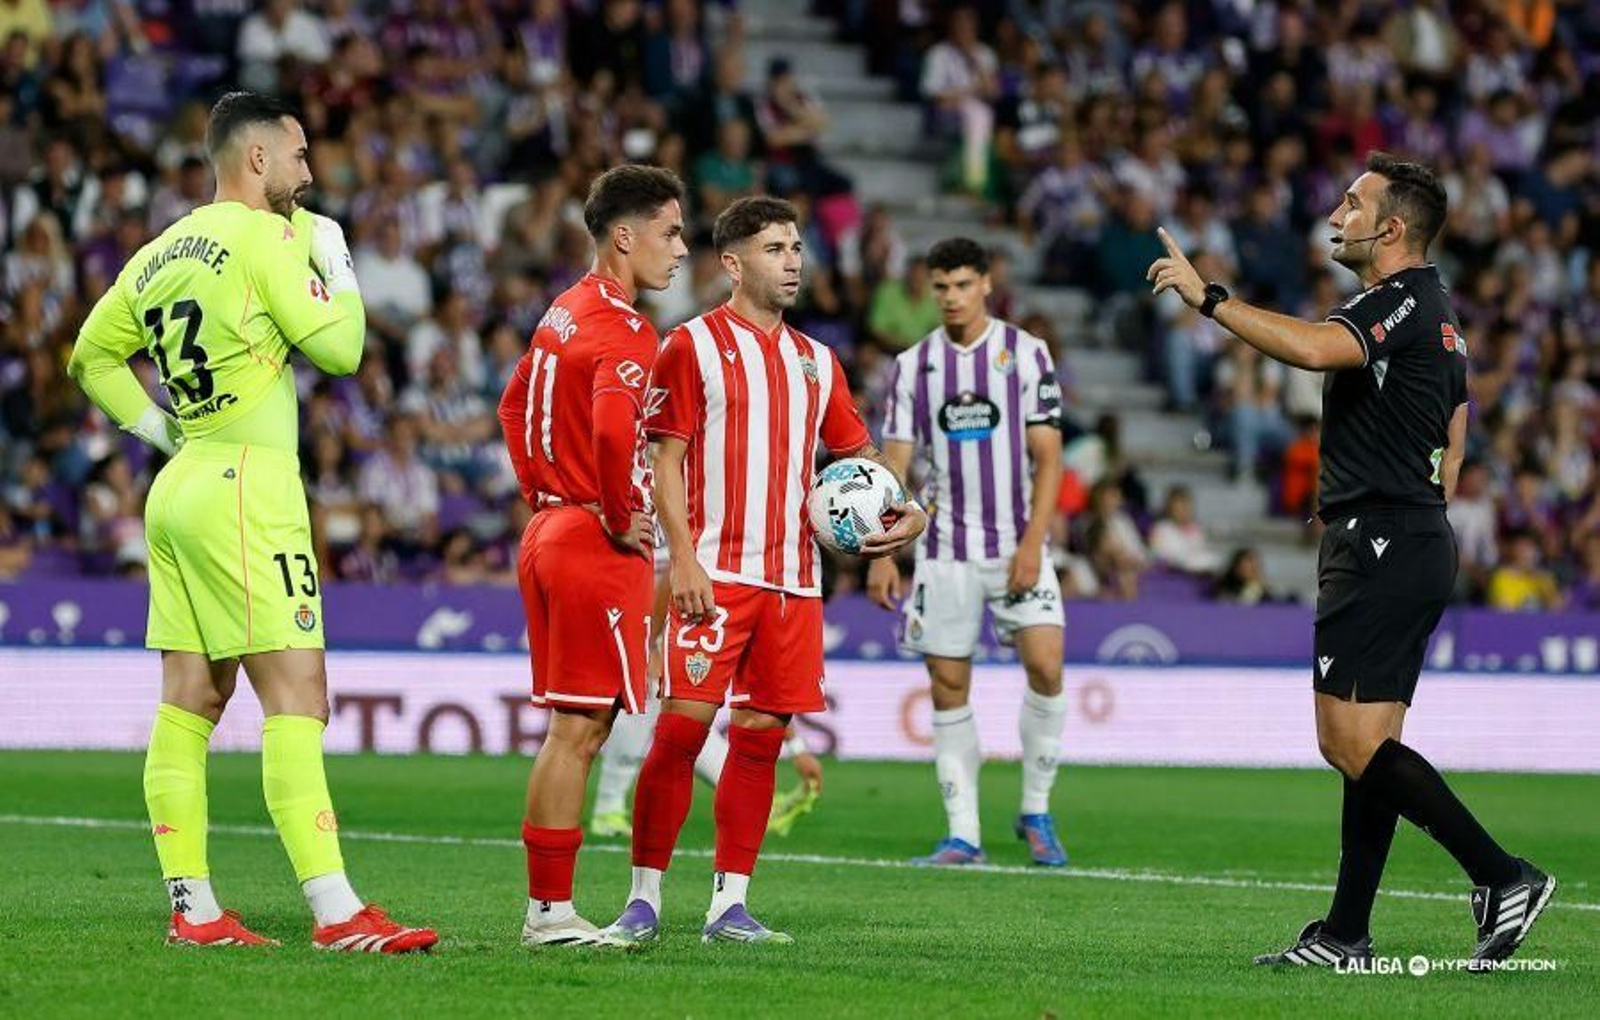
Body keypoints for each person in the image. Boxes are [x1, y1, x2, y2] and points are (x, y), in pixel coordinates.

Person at [1148, 151, 1555, 968]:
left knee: (1350, 742)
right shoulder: (1436, 312)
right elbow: (1457, 431)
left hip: (1385, 540)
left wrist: (1211, 299)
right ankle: (1345, 934)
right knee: (1368, 747)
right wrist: (1377, 490)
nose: (1337, 213)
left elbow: (1310, 351)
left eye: (1353, 202)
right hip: (1400, 533)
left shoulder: (1399, 301)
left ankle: (1503, 875)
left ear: (1391, 227)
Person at [66, 91, 436, 952]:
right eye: (300, 156)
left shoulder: (160, 251)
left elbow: (90, 355)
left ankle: (194, 910)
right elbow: (342, 351)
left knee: (189, 703)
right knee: (298, 694)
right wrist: (334, 259)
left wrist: (164, 433)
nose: (310, 174)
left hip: (183, 482)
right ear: (258, 159)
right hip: (247, 486)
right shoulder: (271, 235)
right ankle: (338, 913)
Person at [605, 195, 925, 945]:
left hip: (794, 582)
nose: (793, 262)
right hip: (715, 572)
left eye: (797, 248)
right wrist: (682, 559)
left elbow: (862, 461)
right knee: (680, 735)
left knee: (758, 741)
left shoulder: (819, 361)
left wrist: (911, 511)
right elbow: (665, 461)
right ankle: (642, 899)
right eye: (776, 249)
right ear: (733, 263)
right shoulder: (690, 346)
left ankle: (729, 906)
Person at [495, 164, 688, 947]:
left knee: (581, 727)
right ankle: (550, 914)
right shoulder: (626, 329)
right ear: (625, 236)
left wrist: (543, 494)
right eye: (671, 232)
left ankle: (552, 909)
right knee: (576, 730)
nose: (680, 249)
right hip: (589, 539)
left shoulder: (565, 312)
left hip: (552, 527)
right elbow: (615, 432)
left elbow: (514, 406)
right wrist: (614, 513)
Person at [864, 237, 1070, 867]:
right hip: (944, 550)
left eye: (961, 285)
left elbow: (1048, 457)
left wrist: (1034, 543)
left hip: (1015, 545)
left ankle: (1035, 808)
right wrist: (882, 553)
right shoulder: (913, 366)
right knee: (948, 683)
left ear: (986, 283)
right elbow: (894, 464)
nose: (951, 298)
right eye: (941, 287)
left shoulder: (1025, 354)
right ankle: (964, 834)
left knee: (1047, 666)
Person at [586, 551, 825, 842]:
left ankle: (759, 802)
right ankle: (607, 808)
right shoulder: (728, 548)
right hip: (637, 611)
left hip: (663, 614)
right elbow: (672, 571)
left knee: (682, 724)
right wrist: (648, 646)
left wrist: (798, 748)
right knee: (654, 703)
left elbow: (764, 694)